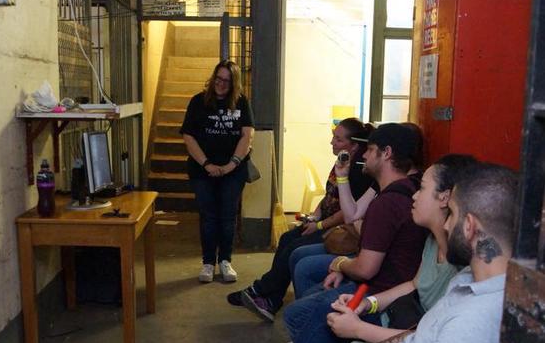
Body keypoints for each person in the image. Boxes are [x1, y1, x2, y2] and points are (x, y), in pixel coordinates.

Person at [164, 163, 518, 343]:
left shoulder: (479, 321)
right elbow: (414, 339)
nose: (448, 221)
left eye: (453, 214)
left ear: (471, 228)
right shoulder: (469, 283)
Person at [243, 123, 428, 328]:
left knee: (301, 272)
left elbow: (367, 266)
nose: (365, 155)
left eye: (370, 149)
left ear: (387, 153)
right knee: (296, 250)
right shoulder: (386, 185)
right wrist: (342, 177)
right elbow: (353, 216)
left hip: (376, 281)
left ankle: (301, 324)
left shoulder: (393, 198)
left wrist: (341, 262)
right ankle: (276, 304)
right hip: (366, 260)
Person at [325, 154, 477, 343]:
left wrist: (358, 329)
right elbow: (414, 284)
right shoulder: (432, 240)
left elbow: (431, 341)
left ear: (445, 198)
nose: (414, 195)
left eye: (421, 188)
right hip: (402, 323)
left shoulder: (464, 267)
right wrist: (368, 303)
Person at [226, 118, 373, 313]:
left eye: (338, 139)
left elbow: (347, 213)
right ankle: (270, 298)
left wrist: (319, 226)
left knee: (295, 248)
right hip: (324, 221)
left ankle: (262, 292)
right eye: (333, 137)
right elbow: (330, 195)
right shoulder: (343, 162)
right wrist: (314, 216)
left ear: (354, 145)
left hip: (339, 229)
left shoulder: (358, 171)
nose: (332, 143)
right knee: (287, 238)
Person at [181, 60, 254, 283]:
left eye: (227, 81)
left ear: (234, 84)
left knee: (228, 216)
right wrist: (207, 164)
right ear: (213, 78)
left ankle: (225, 261)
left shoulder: (241, 102)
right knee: (208, 217)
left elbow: (247, 135)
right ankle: (207, 263)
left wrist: (232, 164)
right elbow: (188, 136)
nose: (221, 84)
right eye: (218, 79)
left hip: (233, 170)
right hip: (202, 170)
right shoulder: (197, 102)